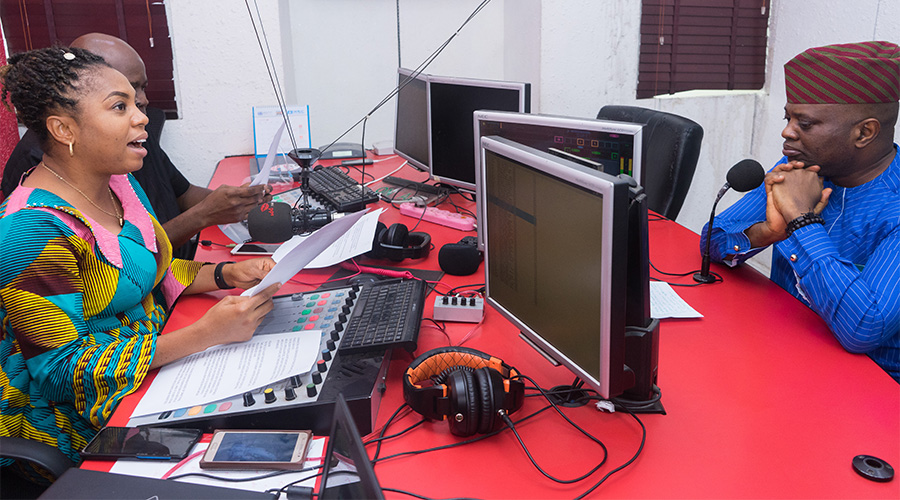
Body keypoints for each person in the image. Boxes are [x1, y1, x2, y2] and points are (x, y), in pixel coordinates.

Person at [0, 46, 280, 483]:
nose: (142, 116)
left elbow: (150, 272)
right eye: (119, 106)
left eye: (135, 102)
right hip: (80, 421)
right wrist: (201, 336)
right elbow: (57, 370)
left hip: (152, 370)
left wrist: (226, 275)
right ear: (63, 128)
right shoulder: (31, 230)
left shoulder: (119, 184)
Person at [701, 41, 900, 382]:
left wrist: (802, 222)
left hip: (868, 392)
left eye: (805, 124)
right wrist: (767, 232)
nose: (787, 131)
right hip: (780, 354)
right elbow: (713, 239)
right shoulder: (799, 167)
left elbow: (863, 329)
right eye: (787, 117)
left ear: (864, 132)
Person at [1, 33, 271, 260]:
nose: (143, 110)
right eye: (120, 103)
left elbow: (144, 268)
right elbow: (122, 267)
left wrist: (234, 207)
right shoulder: (29, 224)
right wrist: (202, 217)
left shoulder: (123, 173)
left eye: (139, 91)